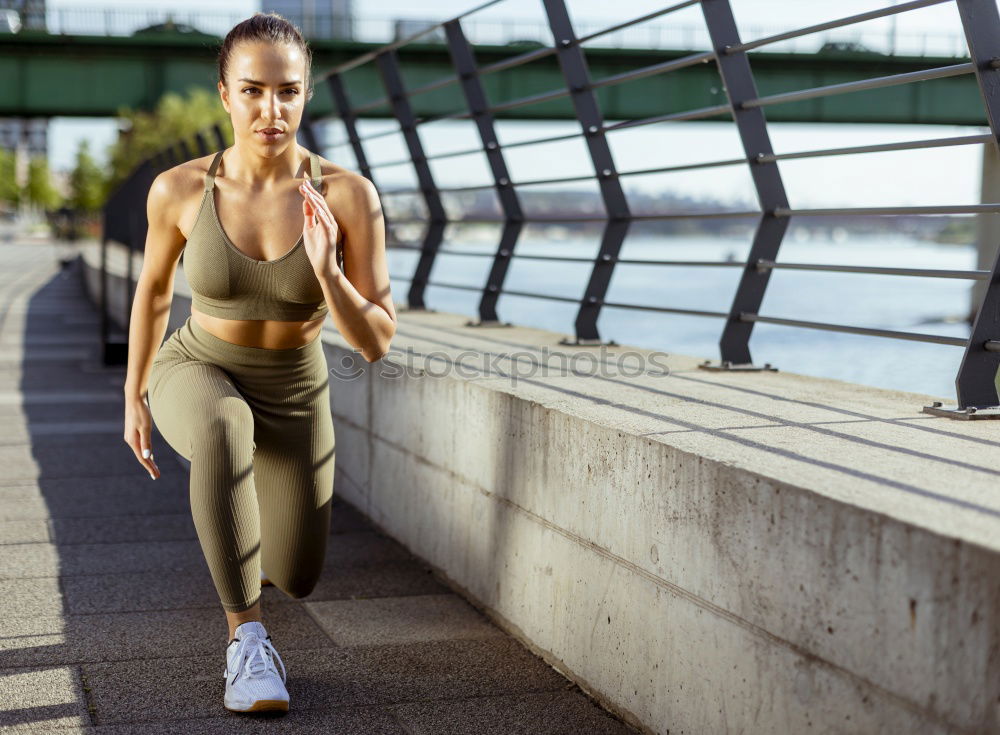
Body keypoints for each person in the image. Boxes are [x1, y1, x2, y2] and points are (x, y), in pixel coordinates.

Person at [121, 12, 396, 714]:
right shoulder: (180, 190)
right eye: (252, 91)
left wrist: (329, 274)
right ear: (224, 95)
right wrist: (134, 396)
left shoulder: (349, 196)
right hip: (198, 363)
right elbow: (153, 293)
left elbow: (376, 342)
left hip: (297, 386)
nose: (270, 110)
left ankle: (253, 555)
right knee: (222, 425)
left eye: (287, 91)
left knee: (298, 574)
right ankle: (247, 647)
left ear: (306, 96)